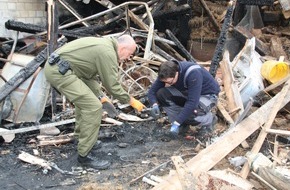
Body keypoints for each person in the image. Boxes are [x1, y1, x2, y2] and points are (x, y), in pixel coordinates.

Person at [44, 34, 145, 169]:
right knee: (93, 107)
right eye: (130, 54)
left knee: (85, 103)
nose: (128, 58)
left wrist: (100, 95)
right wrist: (131, 101)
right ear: (123, 48)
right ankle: (84, 155)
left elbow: (88, 74)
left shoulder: (105, 45)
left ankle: (81, 138)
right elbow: (112, 85)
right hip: (60, 72)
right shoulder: (107, 52)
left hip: (65, 69)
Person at [147, 60, 220, 138]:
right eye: (166, 83)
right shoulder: (165, 73)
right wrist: (154, 104)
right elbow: (152, 92)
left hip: (207, 95)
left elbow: (192, 103)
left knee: (190, 113)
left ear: (177, 73)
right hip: (189, 93)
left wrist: (177, 122)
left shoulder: (193, 73)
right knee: (161, 94)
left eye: (171, 82)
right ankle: (181, 125)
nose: (169, 84)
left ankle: (209, 120)